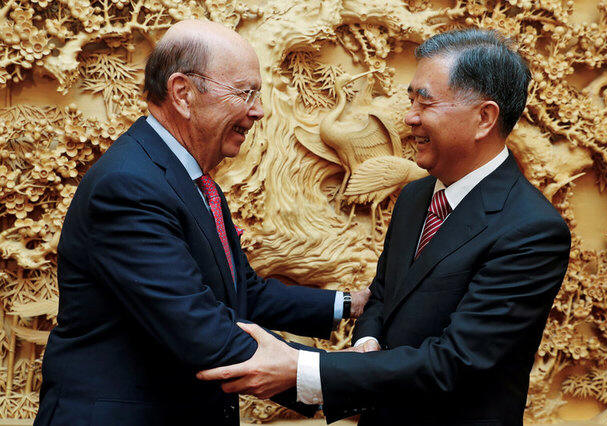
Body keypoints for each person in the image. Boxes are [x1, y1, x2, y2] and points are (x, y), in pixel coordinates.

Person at [197, 29, 571, 426]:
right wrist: (367, 342)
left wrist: (304, 370)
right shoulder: (415, 197)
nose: (410, 118)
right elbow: (382, 297)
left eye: (425, 102)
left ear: (484, 118)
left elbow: (456, 362)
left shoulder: (531, 230)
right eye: (411, 101)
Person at [34, 20, 369, 426]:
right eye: (245, 93)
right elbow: (198, 326)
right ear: (183, 93)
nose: (258, 111)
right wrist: (342, 376)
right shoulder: (129, 186)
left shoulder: (189, 179)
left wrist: (351, 304)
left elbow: (242, 293)